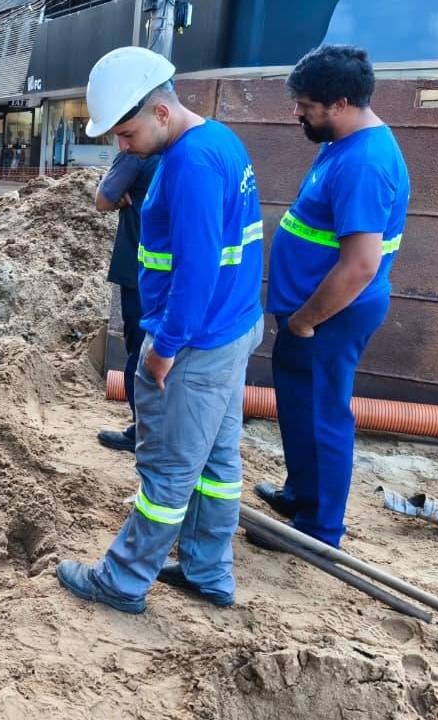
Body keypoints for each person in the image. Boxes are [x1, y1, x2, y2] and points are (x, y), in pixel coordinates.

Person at [56, 47, 265, 613]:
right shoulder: (220, 141)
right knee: (217, 464)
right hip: (233, 329)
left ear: (162, 112)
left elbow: (197, 269)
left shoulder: (189, 166)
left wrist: (165, 347)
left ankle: (122, 581)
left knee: (169, 471)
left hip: (197, 341)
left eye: (126, 134)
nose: (122, 148)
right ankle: (208, 569)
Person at [254, 46, 409, 549]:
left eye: (305, 104)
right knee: (302, 410)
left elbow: (361, 265)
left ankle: (318, 532)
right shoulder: (341, 143)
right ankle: (302, 495)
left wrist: (304, 322)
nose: (297, 112)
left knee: (322, 417)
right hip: (311, 313)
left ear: (339, 102)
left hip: (326, 319)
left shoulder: (364, 162)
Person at [94, 149, 161, 452]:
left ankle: (142, 432)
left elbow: (103, 199)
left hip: (140, 268)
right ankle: (155, 429)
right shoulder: (179, 151)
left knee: (138, 346)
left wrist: (118, 193)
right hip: (167, 271)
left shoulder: (137, 153)